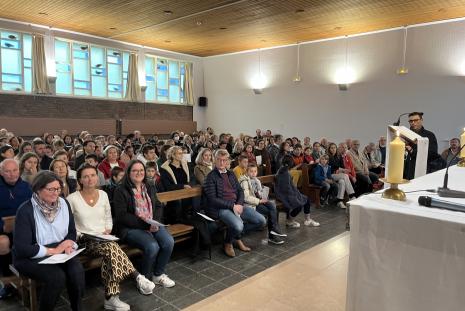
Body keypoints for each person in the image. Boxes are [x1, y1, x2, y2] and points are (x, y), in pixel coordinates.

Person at [67, 164, 155, 311]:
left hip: (104, 238)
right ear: (80, 180)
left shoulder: (103, 195)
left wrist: (107, 229)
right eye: (86, 176)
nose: (90, 179)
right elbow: (69, 226)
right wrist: (82, 235)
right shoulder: (72, 199)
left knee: (110, 251)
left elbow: (108, 217)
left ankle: (112, 298)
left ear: (97, 177)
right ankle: (136, 277)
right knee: (112, 248)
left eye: (93, 175)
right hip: (84, 240)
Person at [13, 171, 85, 311]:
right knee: (56, 277)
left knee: (76, 271)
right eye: (50, 189)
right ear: (38, 189)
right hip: (30, 256)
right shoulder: (26, 210)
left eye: (58, 188)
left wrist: (69, 244)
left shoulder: (63, 203)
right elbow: (22, 248)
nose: (55, 193)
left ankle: (78, 308)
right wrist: (53, 250)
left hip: (59, 251)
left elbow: (71, 231)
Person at [113, 160, 175, 287]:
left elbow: (157, 205)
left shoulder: (149, 185)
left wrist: (155, 222)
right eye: (135, 170)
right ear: (128, 172)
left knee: (168, 242)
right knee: (152, 246)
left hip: (151, 223)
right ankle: (144, 279)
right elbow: (122, 216)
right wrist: (146, 226)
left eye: (141, 170)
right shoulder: (121, 189)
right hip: (131, 227)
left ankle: (158, 274)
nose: (139, 173)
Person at [203, 149, 266, 257]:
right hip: (221, 208)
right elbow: (213, 199)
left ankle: (234, 237)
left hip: (236, 205)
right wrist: (233, 206)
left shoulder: (231, 174)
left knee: (261, 221)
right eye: (219, 160)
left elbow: (240, 191)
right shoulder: (211, 177)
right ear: (215, 160)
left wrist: (240, 204)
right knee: (238, 226)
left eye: (224, 160)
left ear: (227, 161)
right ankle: (228, 242)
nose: (222, 163)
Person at [0, 159, 32, 299]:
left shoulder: (27, 187)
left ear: (19, 171)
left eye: (14, 170)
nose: (12, 174)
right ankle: (7, 281)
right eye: (7, 171)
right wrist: (3, 225)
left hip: (25, 226)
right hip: (3, 229)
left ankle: (30, 277)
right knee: (2, 242)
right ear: (1, 172)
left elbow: (34, 208)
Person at [239, 164, 286, 245]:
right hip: (248, 205)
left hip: (256, 202)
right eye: (251, 171)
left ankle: (274, 231)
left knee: (271, 206)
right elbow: (246, 197)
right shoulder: (244, 181)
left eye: (255, 171)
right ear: (247, 172)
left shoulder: (256, 180)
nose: (253, 173)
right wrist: (259, 201)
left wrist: (261, 195)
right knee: (270, 211)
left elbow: (258, 192)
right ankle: (273, 234)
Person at [274, 155, 320, 228]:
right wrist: (295, 195)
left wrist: (296, 193)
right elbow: (285, 189)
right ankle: (290, 221)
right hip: (284, 195)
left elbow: (289, 186)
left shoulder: (284, 170)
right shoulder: (283, 173)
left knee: (306, 199)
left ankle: (308, 220)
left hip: (289, 193)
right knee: (298, 205)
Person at [405, 112, 445, 179]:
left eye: (416, 120)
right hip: (407, 170)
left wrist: (412, 151)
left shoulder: (429, 135)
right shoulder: (406, 134)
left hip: (424, 169)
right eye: (411, 121)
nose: (413, 123)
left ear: (421, 120)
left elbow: (433, 153)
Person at [159, 146, 191, 224]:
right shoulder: (165, 169)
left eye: (182, 153)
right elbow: (168, 186)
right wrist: (182, 186)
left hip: (186, 194)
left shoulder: (184, 165)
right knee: (179, 203)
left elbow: (189, 180)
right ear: (173, 155)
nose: (182, 155)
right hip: (173, 197)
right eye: (179, 153)